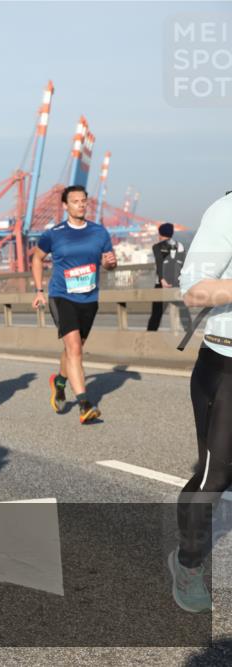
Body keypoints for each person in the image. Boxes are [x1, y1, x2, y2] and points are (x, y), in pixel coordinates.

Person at [169, 191, 232, 614]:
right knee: (217, 476)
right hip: (226, 364)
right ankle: (188, 563)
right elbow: (192, 290)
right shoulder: (227, 211)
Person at [32, 185, 117, 424]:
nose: (81, 204)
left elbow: (110, 264)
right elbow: (37, 258)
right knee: (75, 349)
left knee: (74, 348)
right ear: (65, 206)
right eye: (76, 201)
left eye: (84, 201)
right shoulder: (54, 233)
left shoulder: (99, 232)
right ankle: (84, 404)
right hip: (62, 296)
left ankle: (59, 381)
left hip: (89, 298)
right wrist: (39, 290)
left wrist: (110, 263)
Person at [147, 222, 192, 334]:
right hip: (176, 284)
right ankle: (190, 336)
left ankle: (149, 338)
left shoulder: (157, 246)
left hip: (161, 285)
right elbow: (183, 265)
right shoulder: (180, 246)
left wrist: (162, 279)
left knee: (156, 314)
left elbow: (159, 262)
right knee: (184, 311)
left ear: (160, 234)